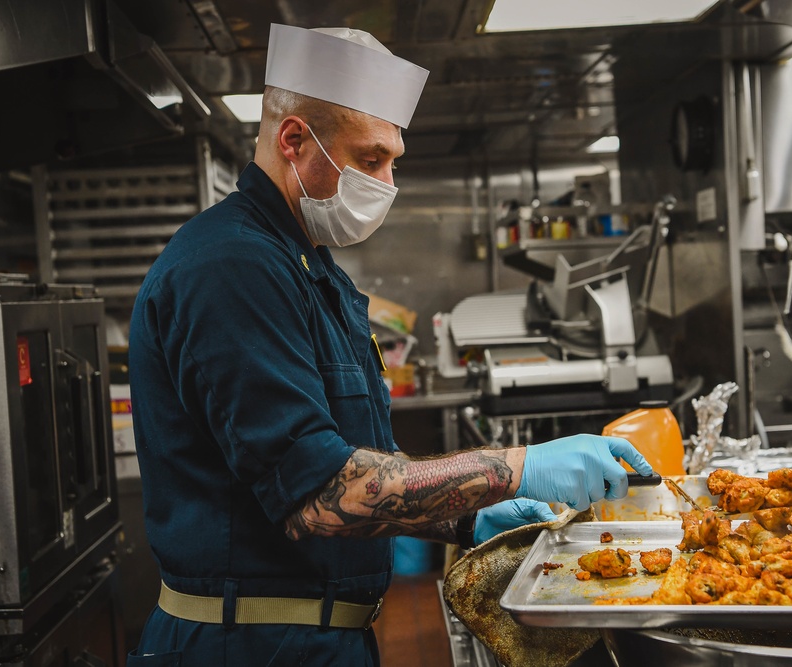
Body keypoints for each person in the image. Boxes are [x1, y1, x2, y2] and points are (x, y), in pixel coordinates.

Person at [126, 24, 653, 667]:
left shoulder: (308, 268)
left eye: (393, 161)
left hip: (316, 639)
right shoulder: (230, 267)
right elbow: (320, 498)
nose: (386, 181)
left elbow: (358, 472)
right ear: (294, 140)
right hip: (251, 646)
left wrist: (467, 517)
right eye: (371, 159)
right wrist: (517, 466)